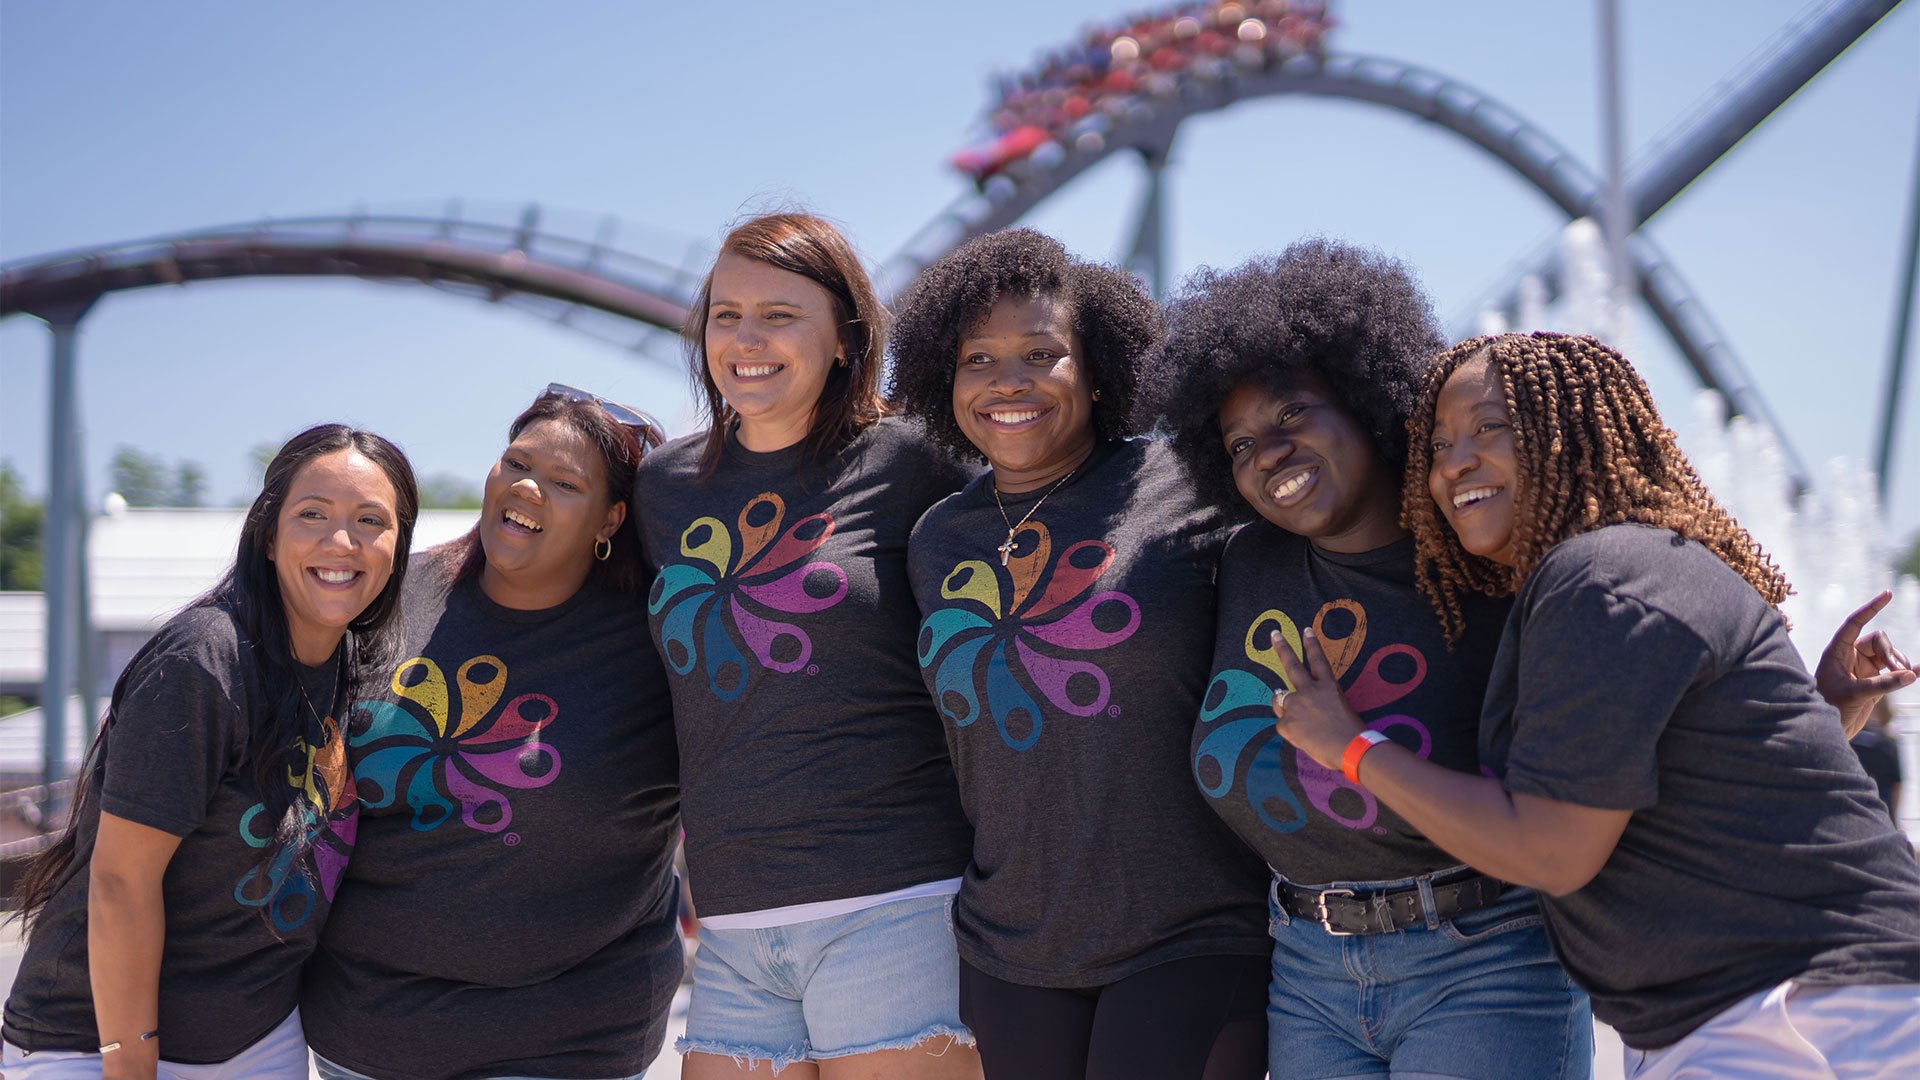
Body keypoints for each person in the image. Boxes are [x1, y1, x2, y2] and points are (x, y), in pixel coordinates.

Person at [1270, 330, 1920, 1078]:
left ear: (1567, 428)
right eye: (1438, 444)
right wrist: (1819, 714)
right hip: (1768, 1005)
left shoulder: (1599, 578)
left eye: (1490, 427)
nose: (1455, 465)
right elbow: (1695, 778)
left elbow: (1550, 852)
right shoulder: (1634, 566)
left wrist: (1350, 747)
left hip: (1803, 1011)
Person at [1137, 240, 1593, 1079]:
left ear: (1369, 401)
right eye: (1237, 445)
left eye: (1291, 416)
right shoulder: (1244, 565)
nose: (1266, 454)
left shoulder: (1490, 568)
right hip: (1306, 969)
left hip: (1483, 960)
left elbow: (1619, 747)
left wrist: (1824, 711)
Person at [888, 227, 1270, 1079]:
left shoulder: (1191, 486)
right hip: (1008, 946)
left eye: (1040, 353)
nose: (1006, 381)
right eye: (976, 359)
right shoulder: (935, 541)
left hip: (1191, 928)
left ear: (1098, 371)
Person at [633, 212, 981, 1078]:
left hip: (898, 903)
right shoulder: (662, 490)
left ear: (844, 339)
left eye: (780, 315)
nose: (745, 338)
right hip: (733, 924)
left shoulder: (920, 462)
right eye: (725, 313)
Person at [3, 425, 418, 1079]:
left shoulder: (349, 663)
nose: (341, 541)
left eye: (371, 520)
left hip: (255, 1040)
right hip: (98, 1042)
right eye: (313, 514)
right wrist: (131, 1067)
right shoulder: (207, 661)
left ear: (399, 547)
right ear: (267, 531)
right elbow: (119, 882)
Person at [302, 387, 682, 1080]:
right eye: (516, 463)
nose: (527, 487)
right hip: (369, 1035)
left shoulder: (658, 635)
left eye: (565, 482)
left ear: (612, 517)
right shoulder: (388, 596)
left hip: (570, 1038)